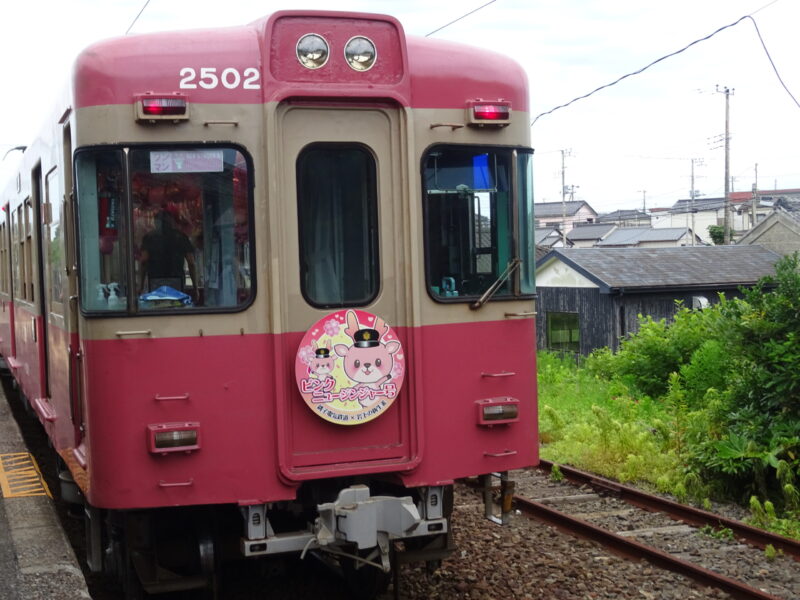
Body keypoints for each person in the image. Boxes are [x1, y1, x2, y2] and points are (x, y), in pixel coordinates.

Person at [139, 206, 198, 300]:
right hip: (177, 280)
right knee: (176, 307)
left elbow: (144, 261)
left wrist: (141, 286)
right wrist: (195, 287)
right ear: (172, 222)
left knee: (156, 308)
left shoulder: (149, 238)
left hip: (155, 280)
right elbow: (191, 262)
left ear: (155, 222)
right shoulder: (181, 237)